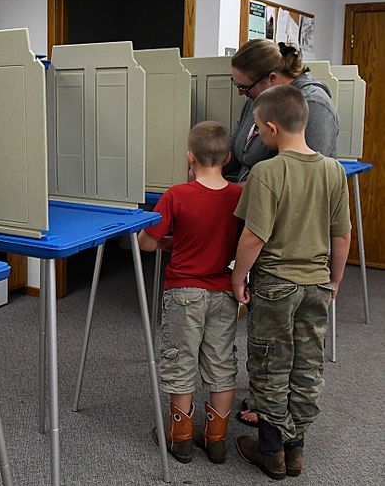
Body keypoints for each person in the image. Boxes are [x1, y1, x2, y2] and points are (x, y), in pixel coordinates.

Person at [231, 85, 351, 480]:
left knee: (270, 366)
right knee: (306, 366)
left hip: (276, 286)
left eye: (257, 131)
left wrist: (237, 278)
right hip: (317, 285)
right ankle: (295, 449)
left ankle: (271, 453)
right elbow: (341, 235)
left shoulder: (266, 173)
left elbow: (253, 237)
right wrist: (333, 282)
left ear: (269, 128)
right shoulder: (333, 170)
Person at [139, 121, 242, 464]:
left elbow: (147, 243)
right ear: (228, 157)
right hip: (224, 291)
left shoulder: (176, 195)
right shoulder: (239, 195)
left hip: (184, 291)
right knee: (220, 362)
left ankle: (179, 438)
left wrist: (170, 239)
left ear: (189, 157)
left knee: (180, 360)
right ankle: (216, 440)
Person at [228, 39, 339, 184]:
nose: (241, 93)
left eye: (245, 88)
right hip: (252, 194)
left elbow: (304, 178)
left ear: (271, 78)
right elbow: (237, 150)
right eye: (237, 85)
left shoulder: (314, 104)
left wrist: (237, 191)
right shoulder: (258, 98)